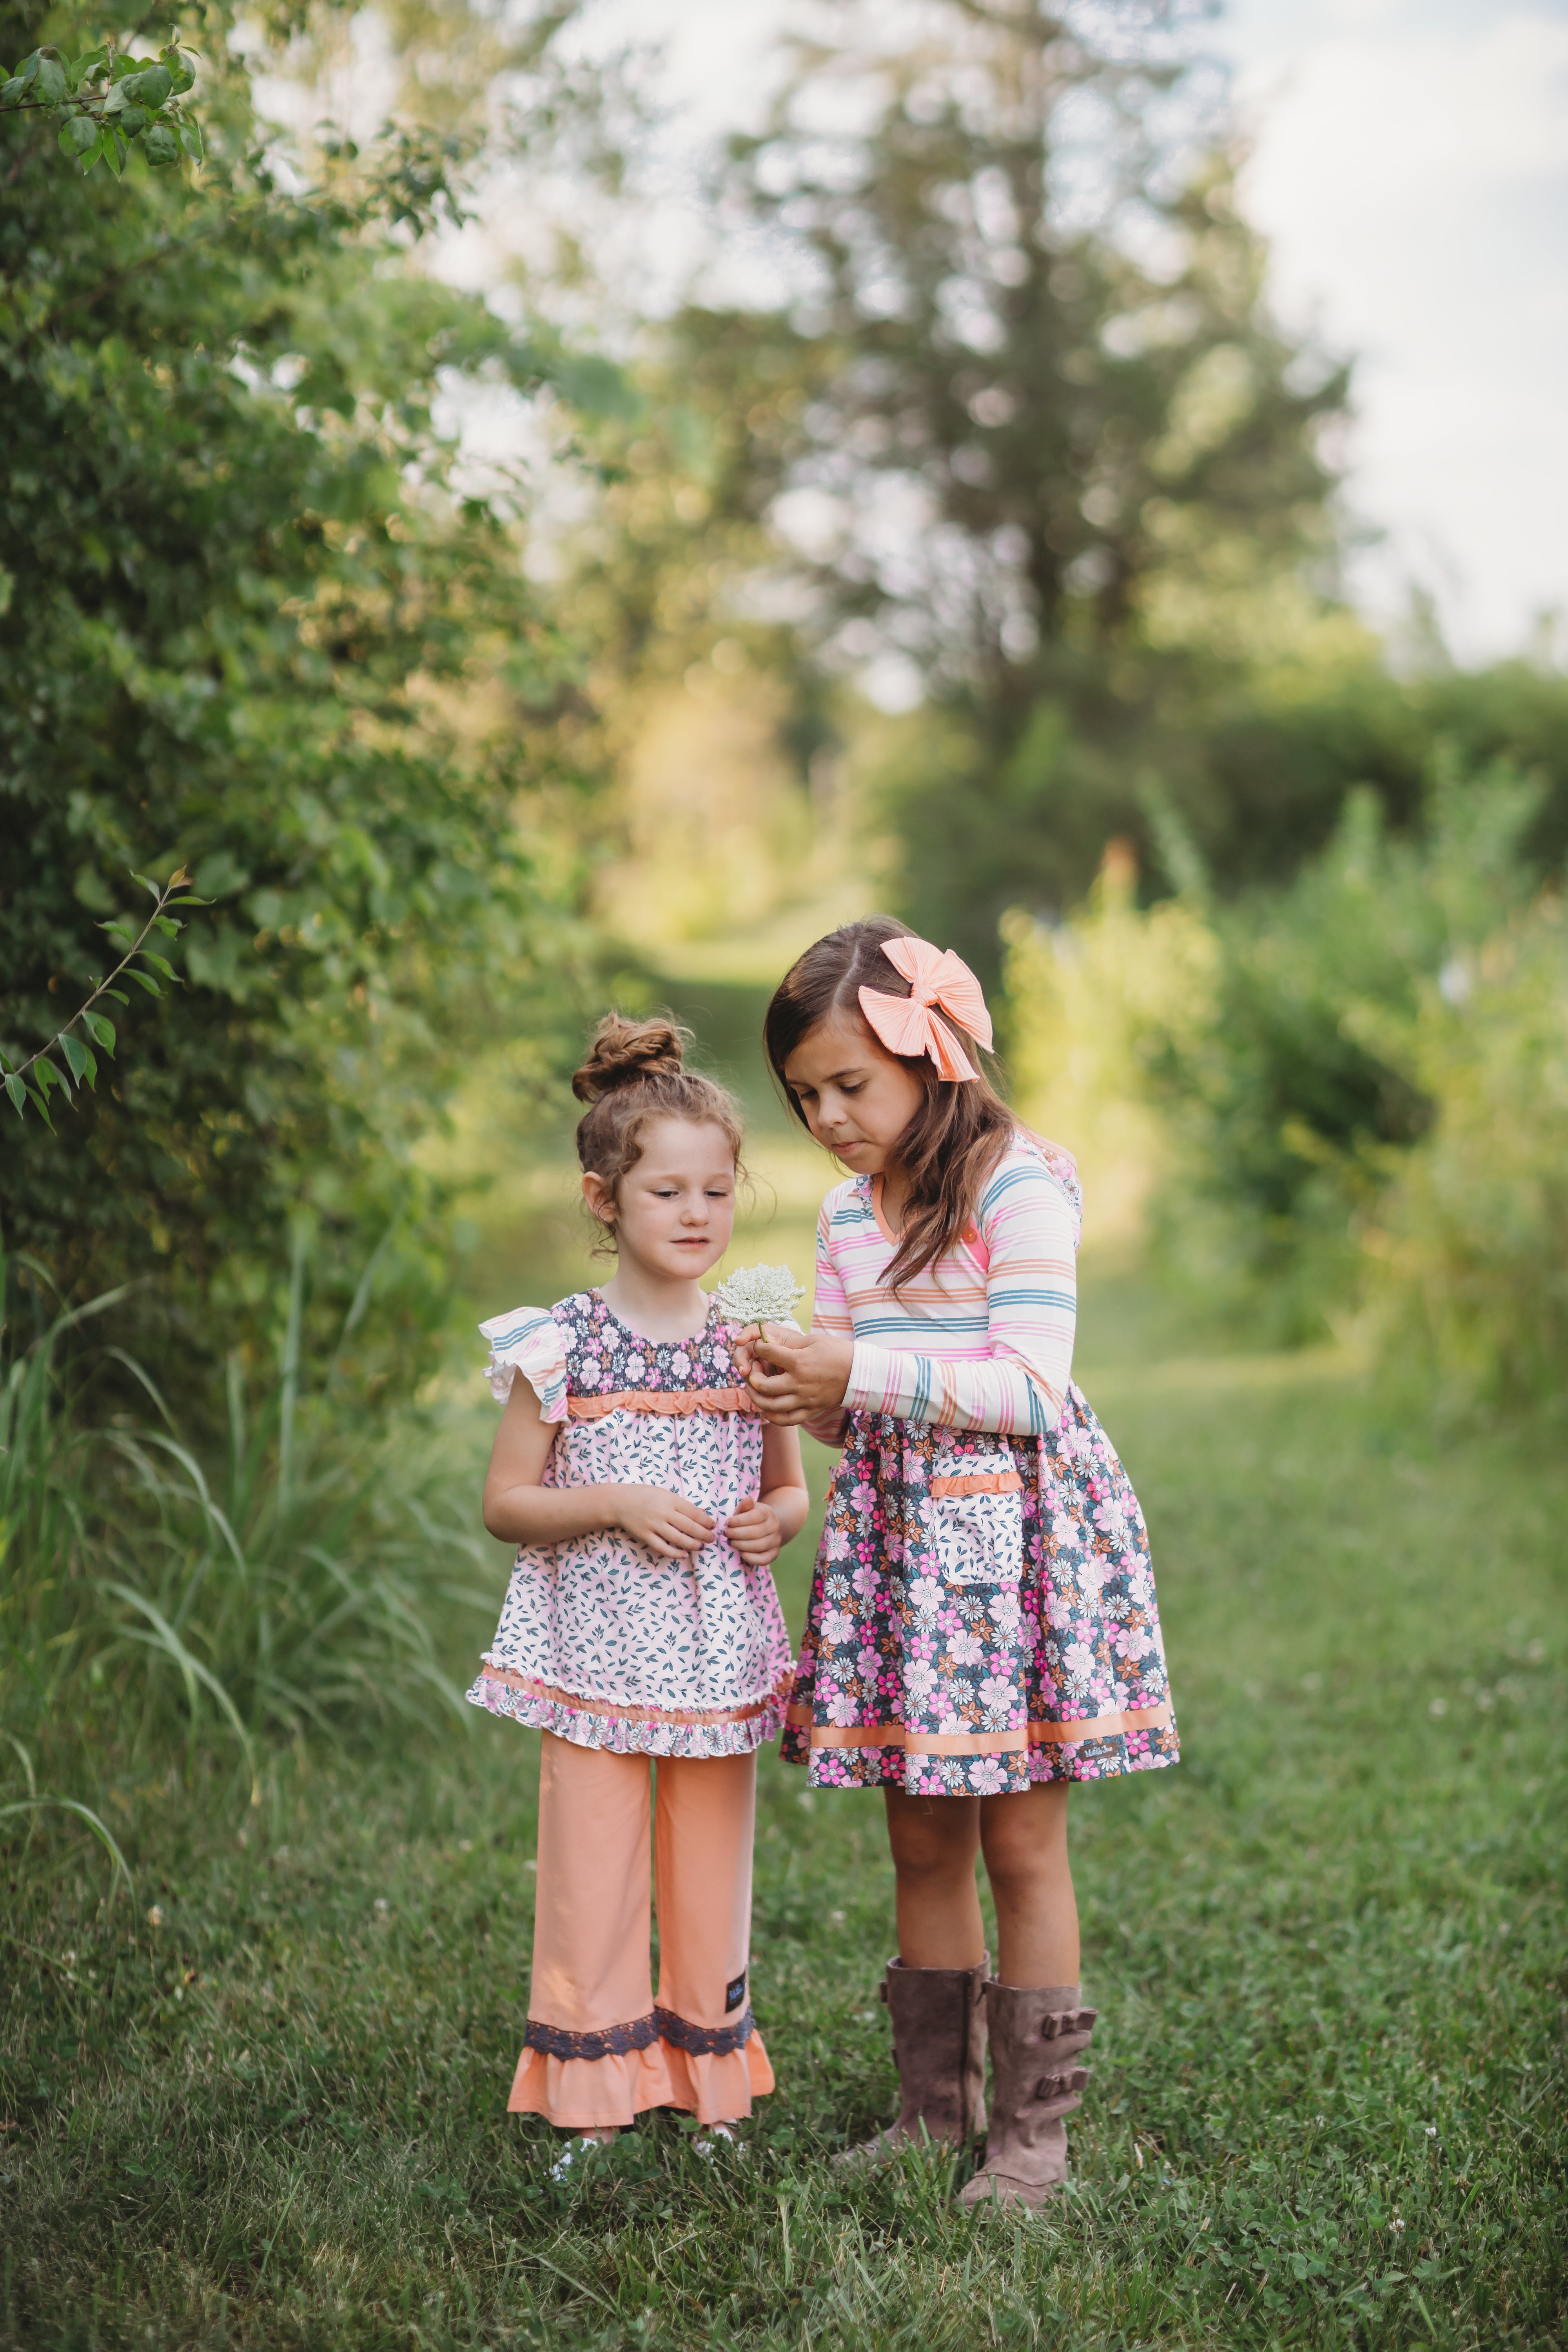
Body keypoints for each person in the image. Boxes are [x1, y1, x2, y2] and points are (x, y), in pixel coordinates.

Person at [738, 919, 1179, 2209]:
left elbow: (1034, 1387)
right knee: (922, 1839)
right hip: (896, 1548)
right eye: (804, 1095)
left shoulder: (1016, 1187)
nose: (826, 1117)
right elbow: (841, 1409)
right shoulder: (840, 1215)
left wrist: (857, 1369)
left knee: (1023, 1844)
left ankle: (1032, 2139)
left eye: (848, 1086)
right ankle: (935, 2116)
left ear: (933, 1055)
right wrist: (788, 1386)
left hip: (1011, 1550)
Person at [471, 1014, 809, 2169]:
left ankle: (709, 2084)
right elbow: (509, 1501)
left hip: (715, 1660)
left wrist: (774, 1522)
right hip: (598, 1657)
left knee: (712, 1869)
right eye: (668, 1191)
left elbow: (787, 1493)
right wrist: (612, 1500)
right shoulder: (560, 1344)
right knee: (592, 1874)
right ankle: (594, 2099)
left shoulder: (752, 1343)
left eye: (717, 1190)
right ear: (604, 1198)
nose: (699, 1214)